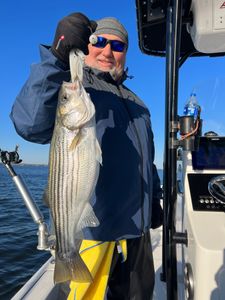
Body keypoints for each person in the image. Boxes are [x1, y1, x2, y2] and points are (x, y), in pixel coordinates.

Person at [10, 12, 163, 300]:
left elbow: (147, 159)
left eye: (118, 46)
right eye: (99, 41)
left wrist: (154, 198)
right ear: (86, 45)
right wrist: (56, 58)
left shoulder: (139, 103)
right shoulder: (75, 88)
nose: (108, 51)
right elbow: (28, 123)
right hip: (94, 234)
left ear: (125, 54)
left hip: (137, 234)